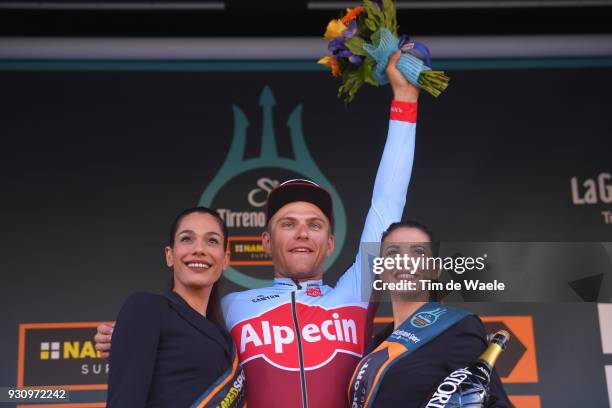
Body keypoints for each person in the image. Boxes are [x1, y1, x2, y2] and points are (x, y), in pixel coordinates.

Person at [97, 50, 420, 408]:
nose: (302, 233)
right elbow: (179, 348)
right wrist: (129, 339)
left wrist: (405, 100)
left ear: (329, 243)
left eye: (314, 225)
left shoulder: (354, 293)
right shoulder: (231, 308)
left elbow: (388, 202)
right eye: (288, 224)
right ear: (266, 241)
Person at [348, 221, 512, 407]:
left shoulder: (455, 327)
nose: (405, 260)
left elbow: (496, 403)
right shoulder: (376, 344)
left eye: (418, 252)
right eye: (393, 253)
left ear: (435, 269)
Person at [106, 207, 245, 408]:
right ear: (170, 255)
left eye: (212, 240)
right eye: (187, 239)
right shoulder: (146, 308)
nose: (199, 249)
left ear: (225, 259)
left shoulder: (223, 333)